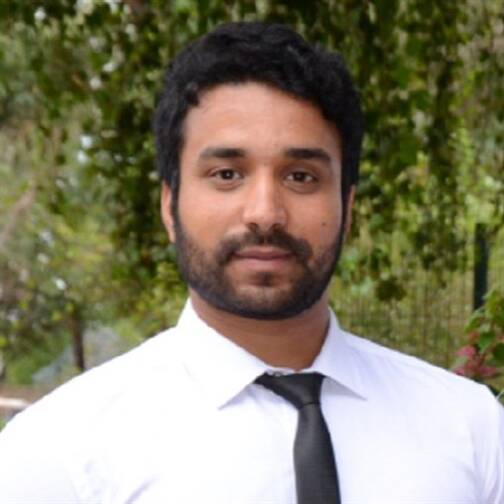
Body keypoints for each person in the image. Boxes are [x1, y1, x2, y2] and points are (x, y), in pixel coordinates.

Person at [0, 21, 503, 504]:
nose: (264, 212)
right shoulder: (57, 455)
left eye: (301, 176)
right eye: (226, 174)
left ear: (347, 208)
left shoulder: (471, 429)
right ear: (169, 206)